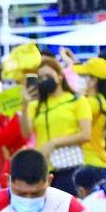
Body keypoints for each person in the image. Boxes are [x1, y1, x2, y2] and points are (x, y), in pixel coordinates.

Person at [21, 56, 92, 194]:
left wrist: (54, 143)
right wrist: (24, 106)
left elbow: (85, 134)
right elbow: (26, 133)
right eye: (40, 78)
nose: (44, 80)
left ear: (60, 76)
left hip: (69, 167)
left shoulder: (77, 101)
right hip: (43, 169)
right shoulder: (35, 106)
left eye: (48, 75)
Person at [74, 56, 106, 182]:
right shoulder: (100, 100)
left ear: (94, 80)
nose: (79, 79)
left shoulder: (91, 103)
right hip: (97, 163)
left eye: (83, 76)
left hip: (90, 164)